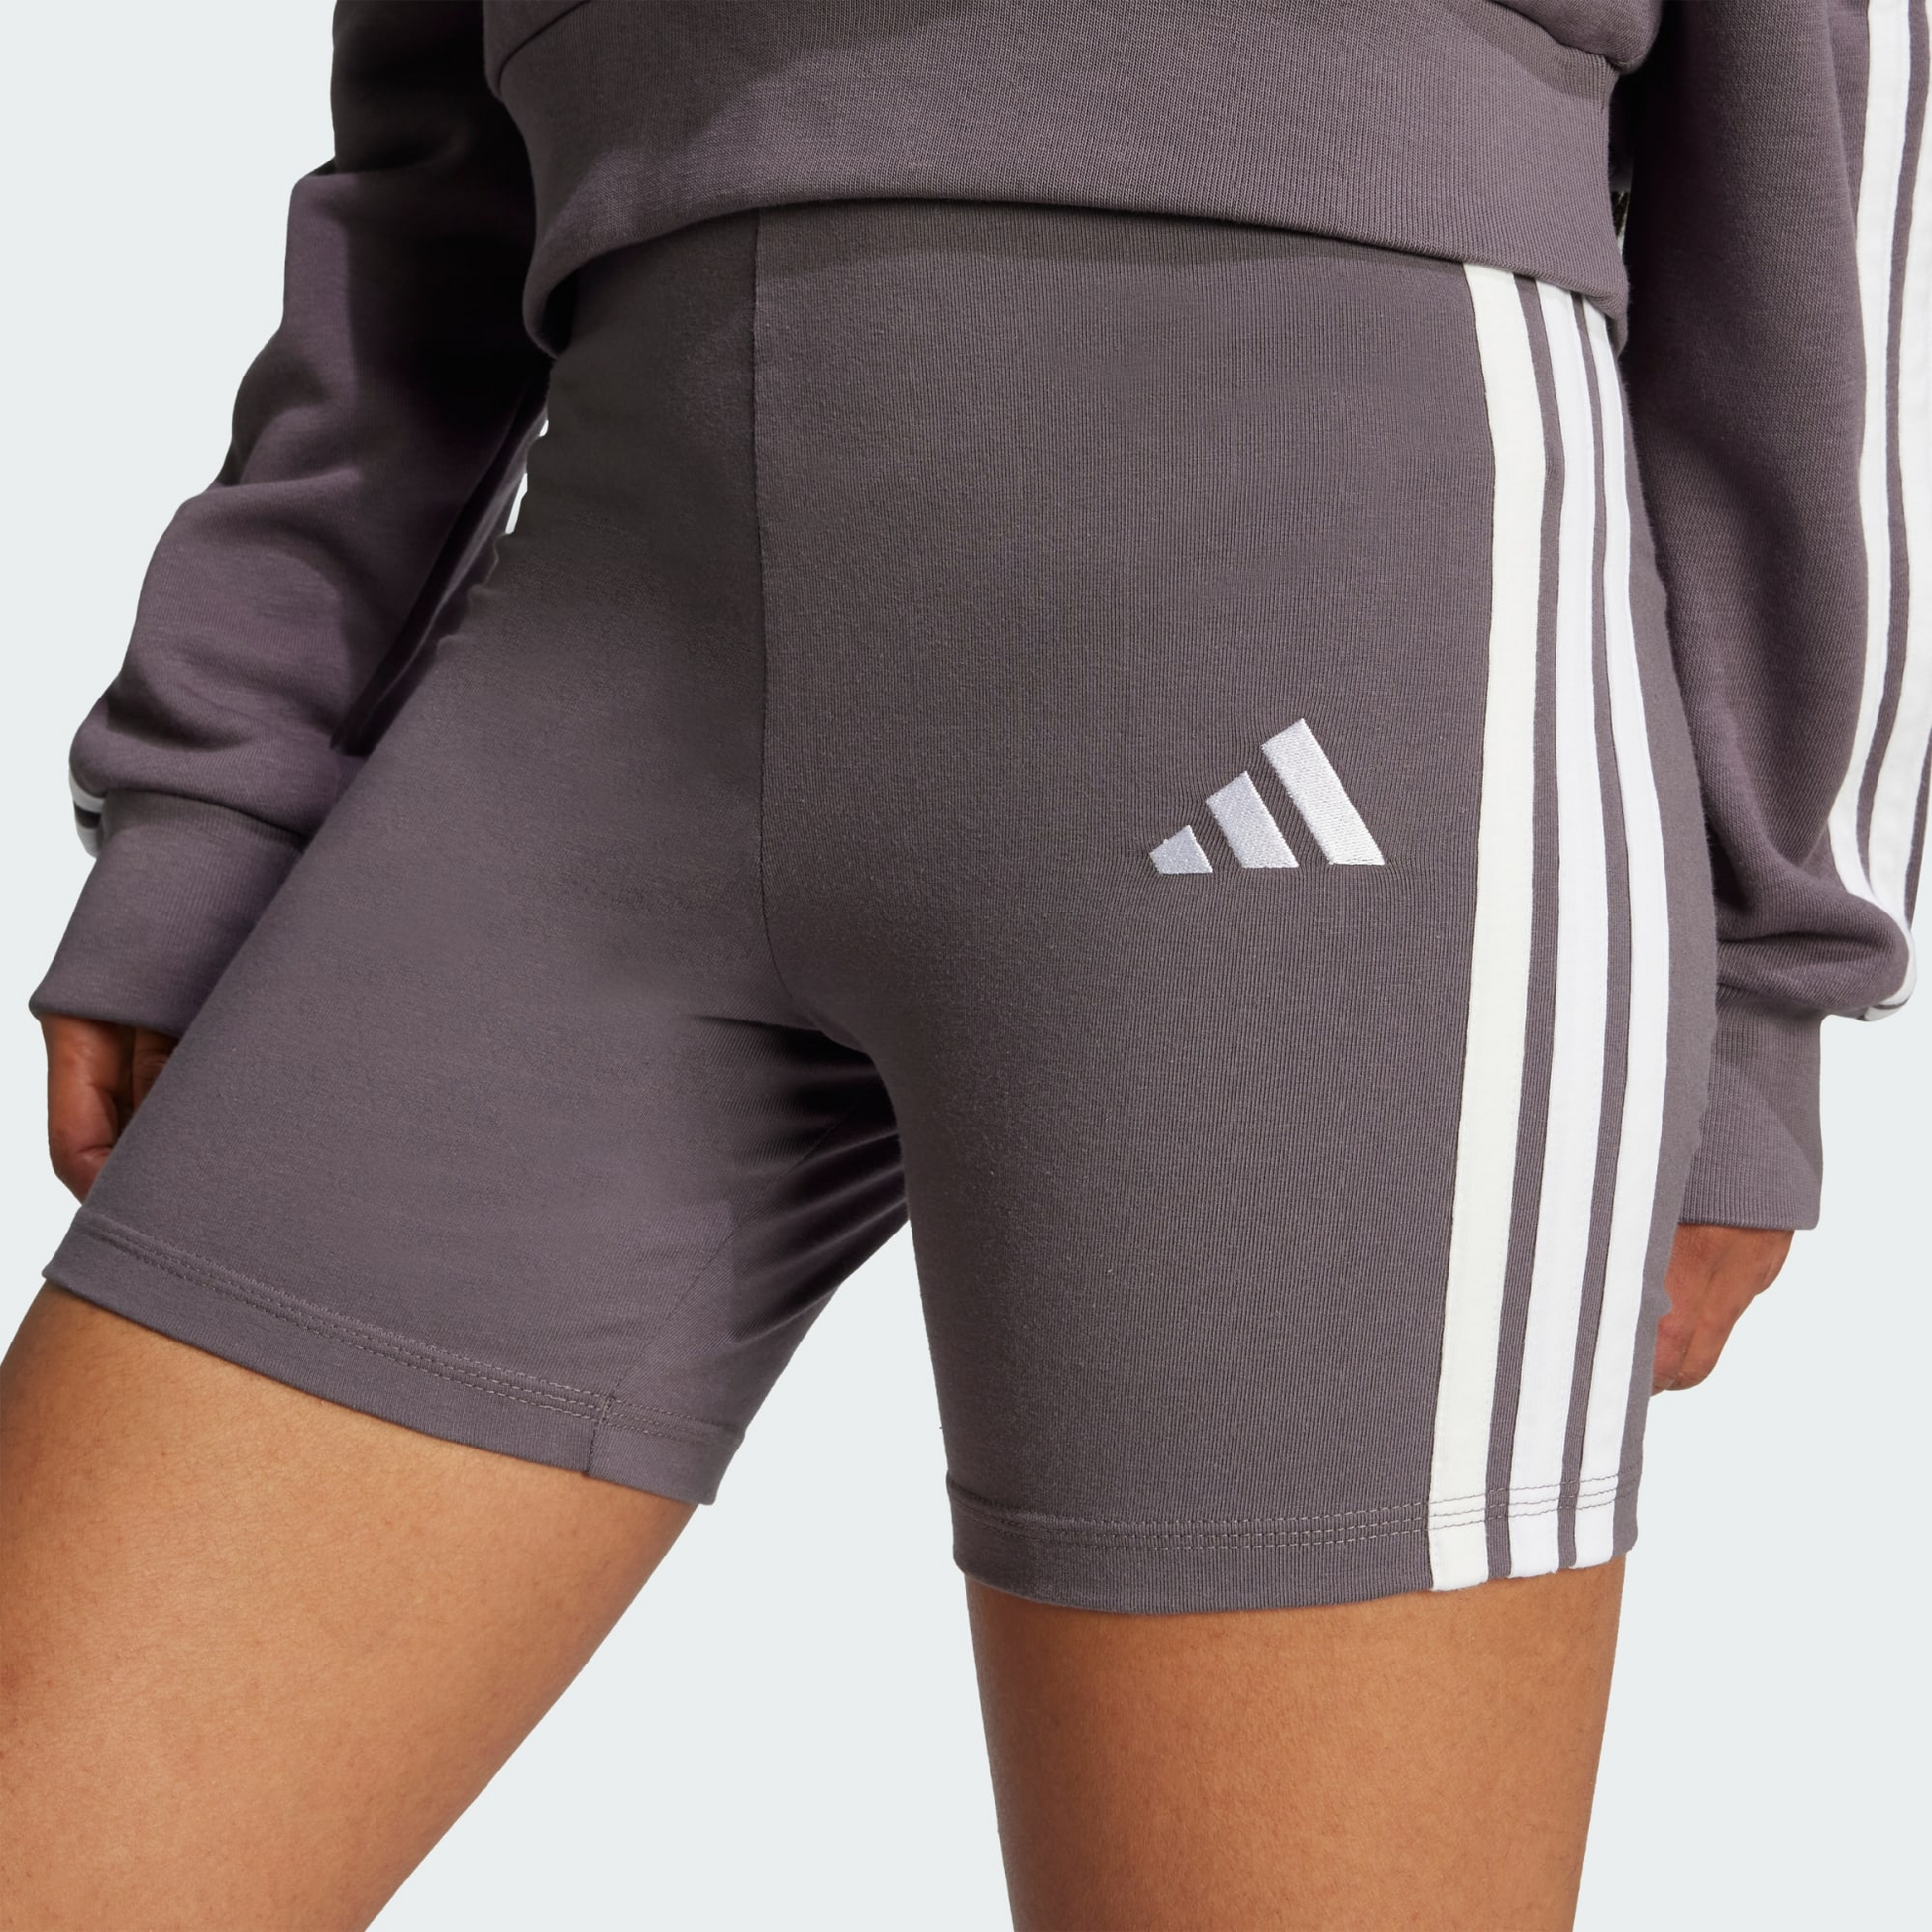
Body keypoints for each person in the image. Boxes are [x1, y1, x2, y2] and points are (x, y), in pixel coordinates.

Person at [2, 1, 1924, 1924]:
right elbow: (425, 175)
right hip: (596, 673)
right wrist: (230, 776)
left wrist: (1765, 977)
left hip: (1321, 652)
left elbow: (1824, 176)